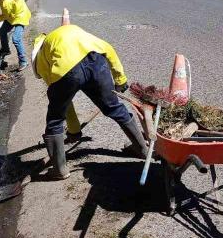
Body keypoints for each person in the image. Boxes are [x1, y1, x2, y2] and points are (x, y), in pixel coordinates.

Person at [31, 24, 148, 179]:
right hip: (95, 61)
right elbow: (108, 49)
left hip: (68, 72)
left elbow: (65, 105)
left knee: (54, 120)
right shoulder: (68, 31)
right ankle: (142, 150)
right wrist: (120, 79)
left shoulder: (41, 60)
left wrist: (74, 131)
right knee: (114, 107)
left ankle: (59, 170)